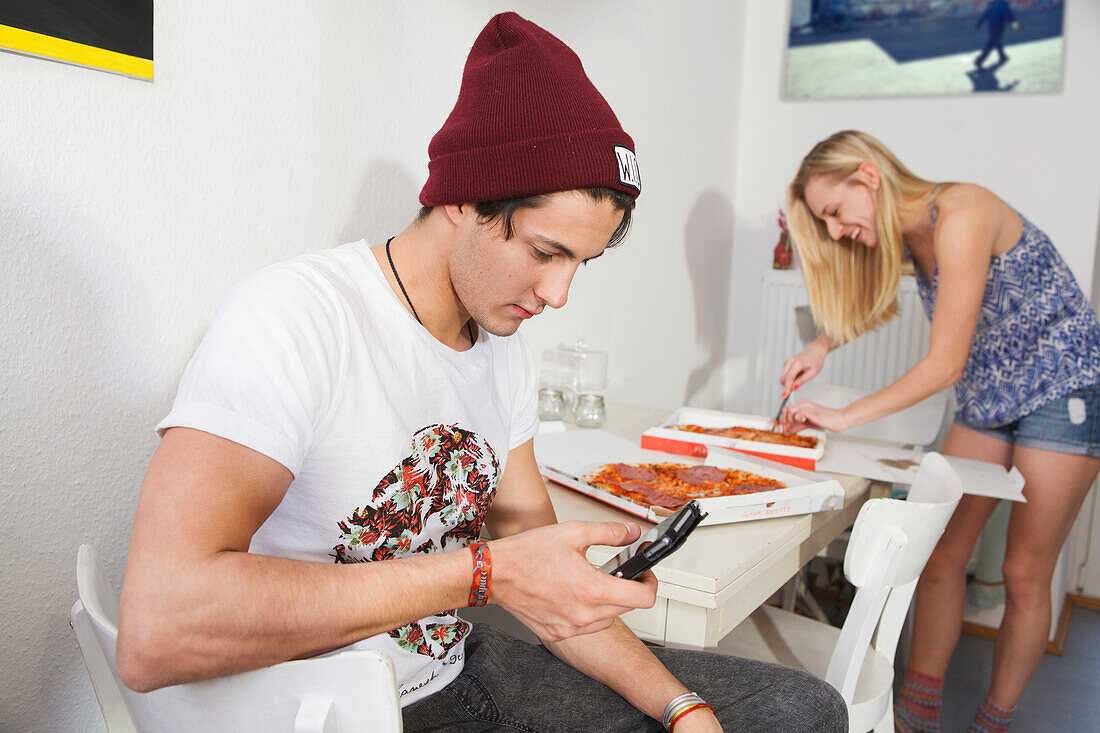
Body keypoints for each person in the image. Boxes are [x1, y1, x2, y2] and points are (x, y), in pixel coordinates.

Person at [117, 12, 848, 733]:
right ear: (464, 196)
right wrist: (481, 572)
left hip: (458, 671)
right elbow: (157, 627)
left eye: (580, 264)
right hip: (329, 709)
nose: (559, 294)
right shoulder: (293, 318)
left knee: (802, 707)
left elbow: (539, 579)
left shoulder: (501, 347)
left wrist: (682, 709)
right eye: (544, 251)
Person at [779, 129, 1100, 732]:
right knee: (942, 552)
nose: (836, 230)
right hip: (990, 396)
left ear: (867, 176)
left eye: (835, 213)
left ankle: (993, 722)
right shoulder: (907, 237)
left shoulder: (963, 210)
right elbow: (872, 303)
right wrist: (822, 346)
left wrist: (844, 416)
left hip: (1066, 387)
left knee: (1024, 571)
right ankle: (917, 711)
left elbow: (945, 363)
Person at [974, 0, 1018, 69]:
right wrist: (1015, 25)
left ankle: (1002, 56)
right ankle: (979, 61)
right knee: (992, 42)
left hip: (991, 26)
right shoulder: (1004, 3)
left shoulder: (991, 3)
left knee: (997, 40)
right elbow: (1009, 15)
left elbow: (985, 14)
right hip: (999, 26)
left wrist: (979, 23)